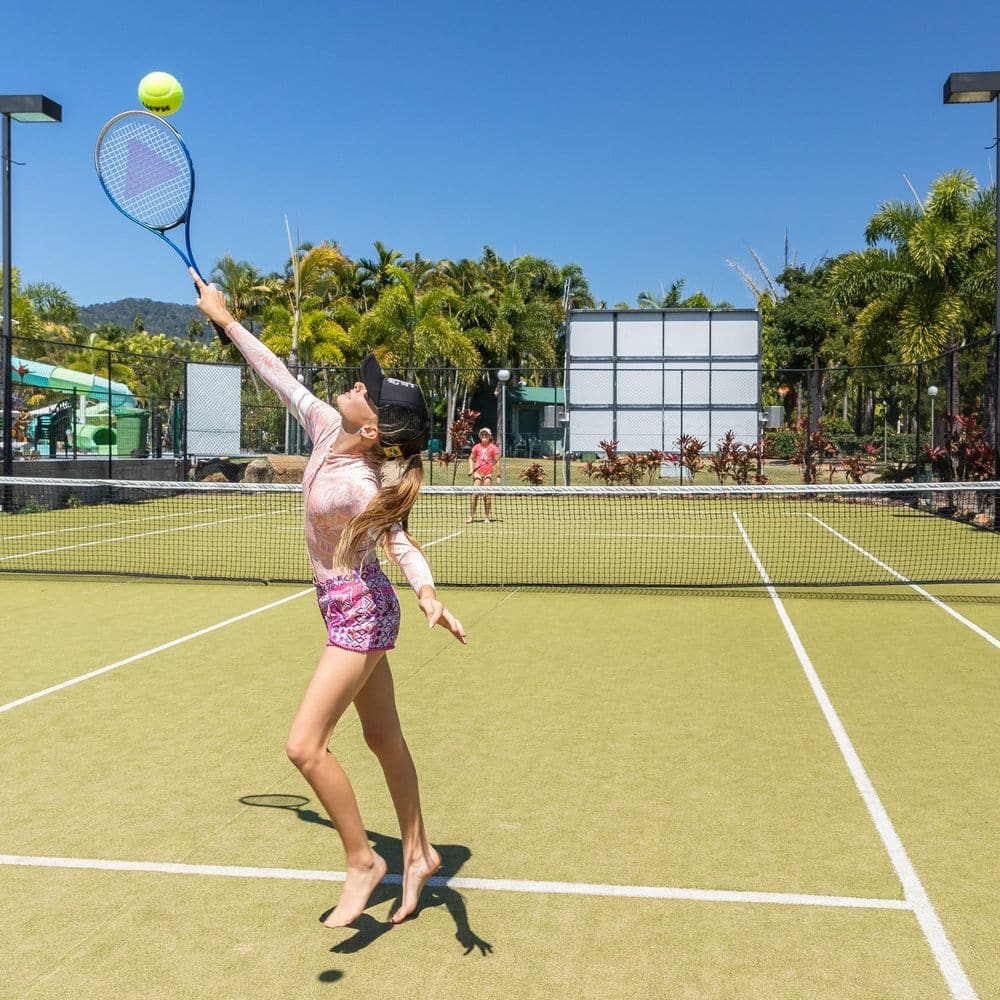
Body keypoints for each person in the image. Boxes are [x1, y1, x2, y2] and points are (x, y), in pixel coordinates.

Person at [192, 271, 467, 929]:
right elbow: (276, 375)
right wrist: (224, 318)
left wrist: (427, 592)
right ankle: (422, 851)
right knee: (382, 736)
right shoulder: (323, 424)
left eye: (367, 392)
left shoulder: (358, 484)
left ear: (374, 429)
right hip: (344, 603)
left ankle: (363, 861)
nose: (355, 385)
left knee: (304, 746)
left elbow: (399, 541)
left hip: (359, 612)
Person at [466, 428, 500, 523]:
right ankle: (471, 517)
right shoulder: (476, 447)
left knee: (486, 495)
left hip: (488, 473)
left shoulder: (493, 448)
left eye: (486, 435)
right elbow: (470, 459)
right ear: (480, 436)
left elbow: (497, 461)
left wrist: (498, 475)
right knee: (475, 494)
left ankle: (487, 517)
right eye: (482, 435)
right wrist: (471, 469)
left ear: (489, 436)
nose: (484, 436)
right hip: (477, 473)